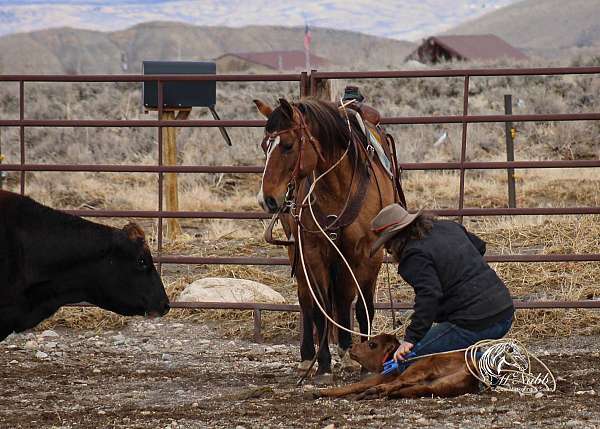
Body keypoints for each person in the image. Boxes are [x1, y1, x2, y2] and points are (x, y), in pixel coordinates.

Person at [370, 204, 514, 363]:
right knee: (442, 345)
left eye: (387, 244)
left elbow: (429, 295)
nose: (388, 249)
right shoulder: (448, 226)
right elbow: (479, 247)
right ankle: (474, 359)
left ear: (394, 239)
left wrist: (410, 339)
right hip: (505, 311)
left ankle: (489, 364)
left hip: (475, 322)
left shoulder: (413, 254)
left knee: (409, 361)